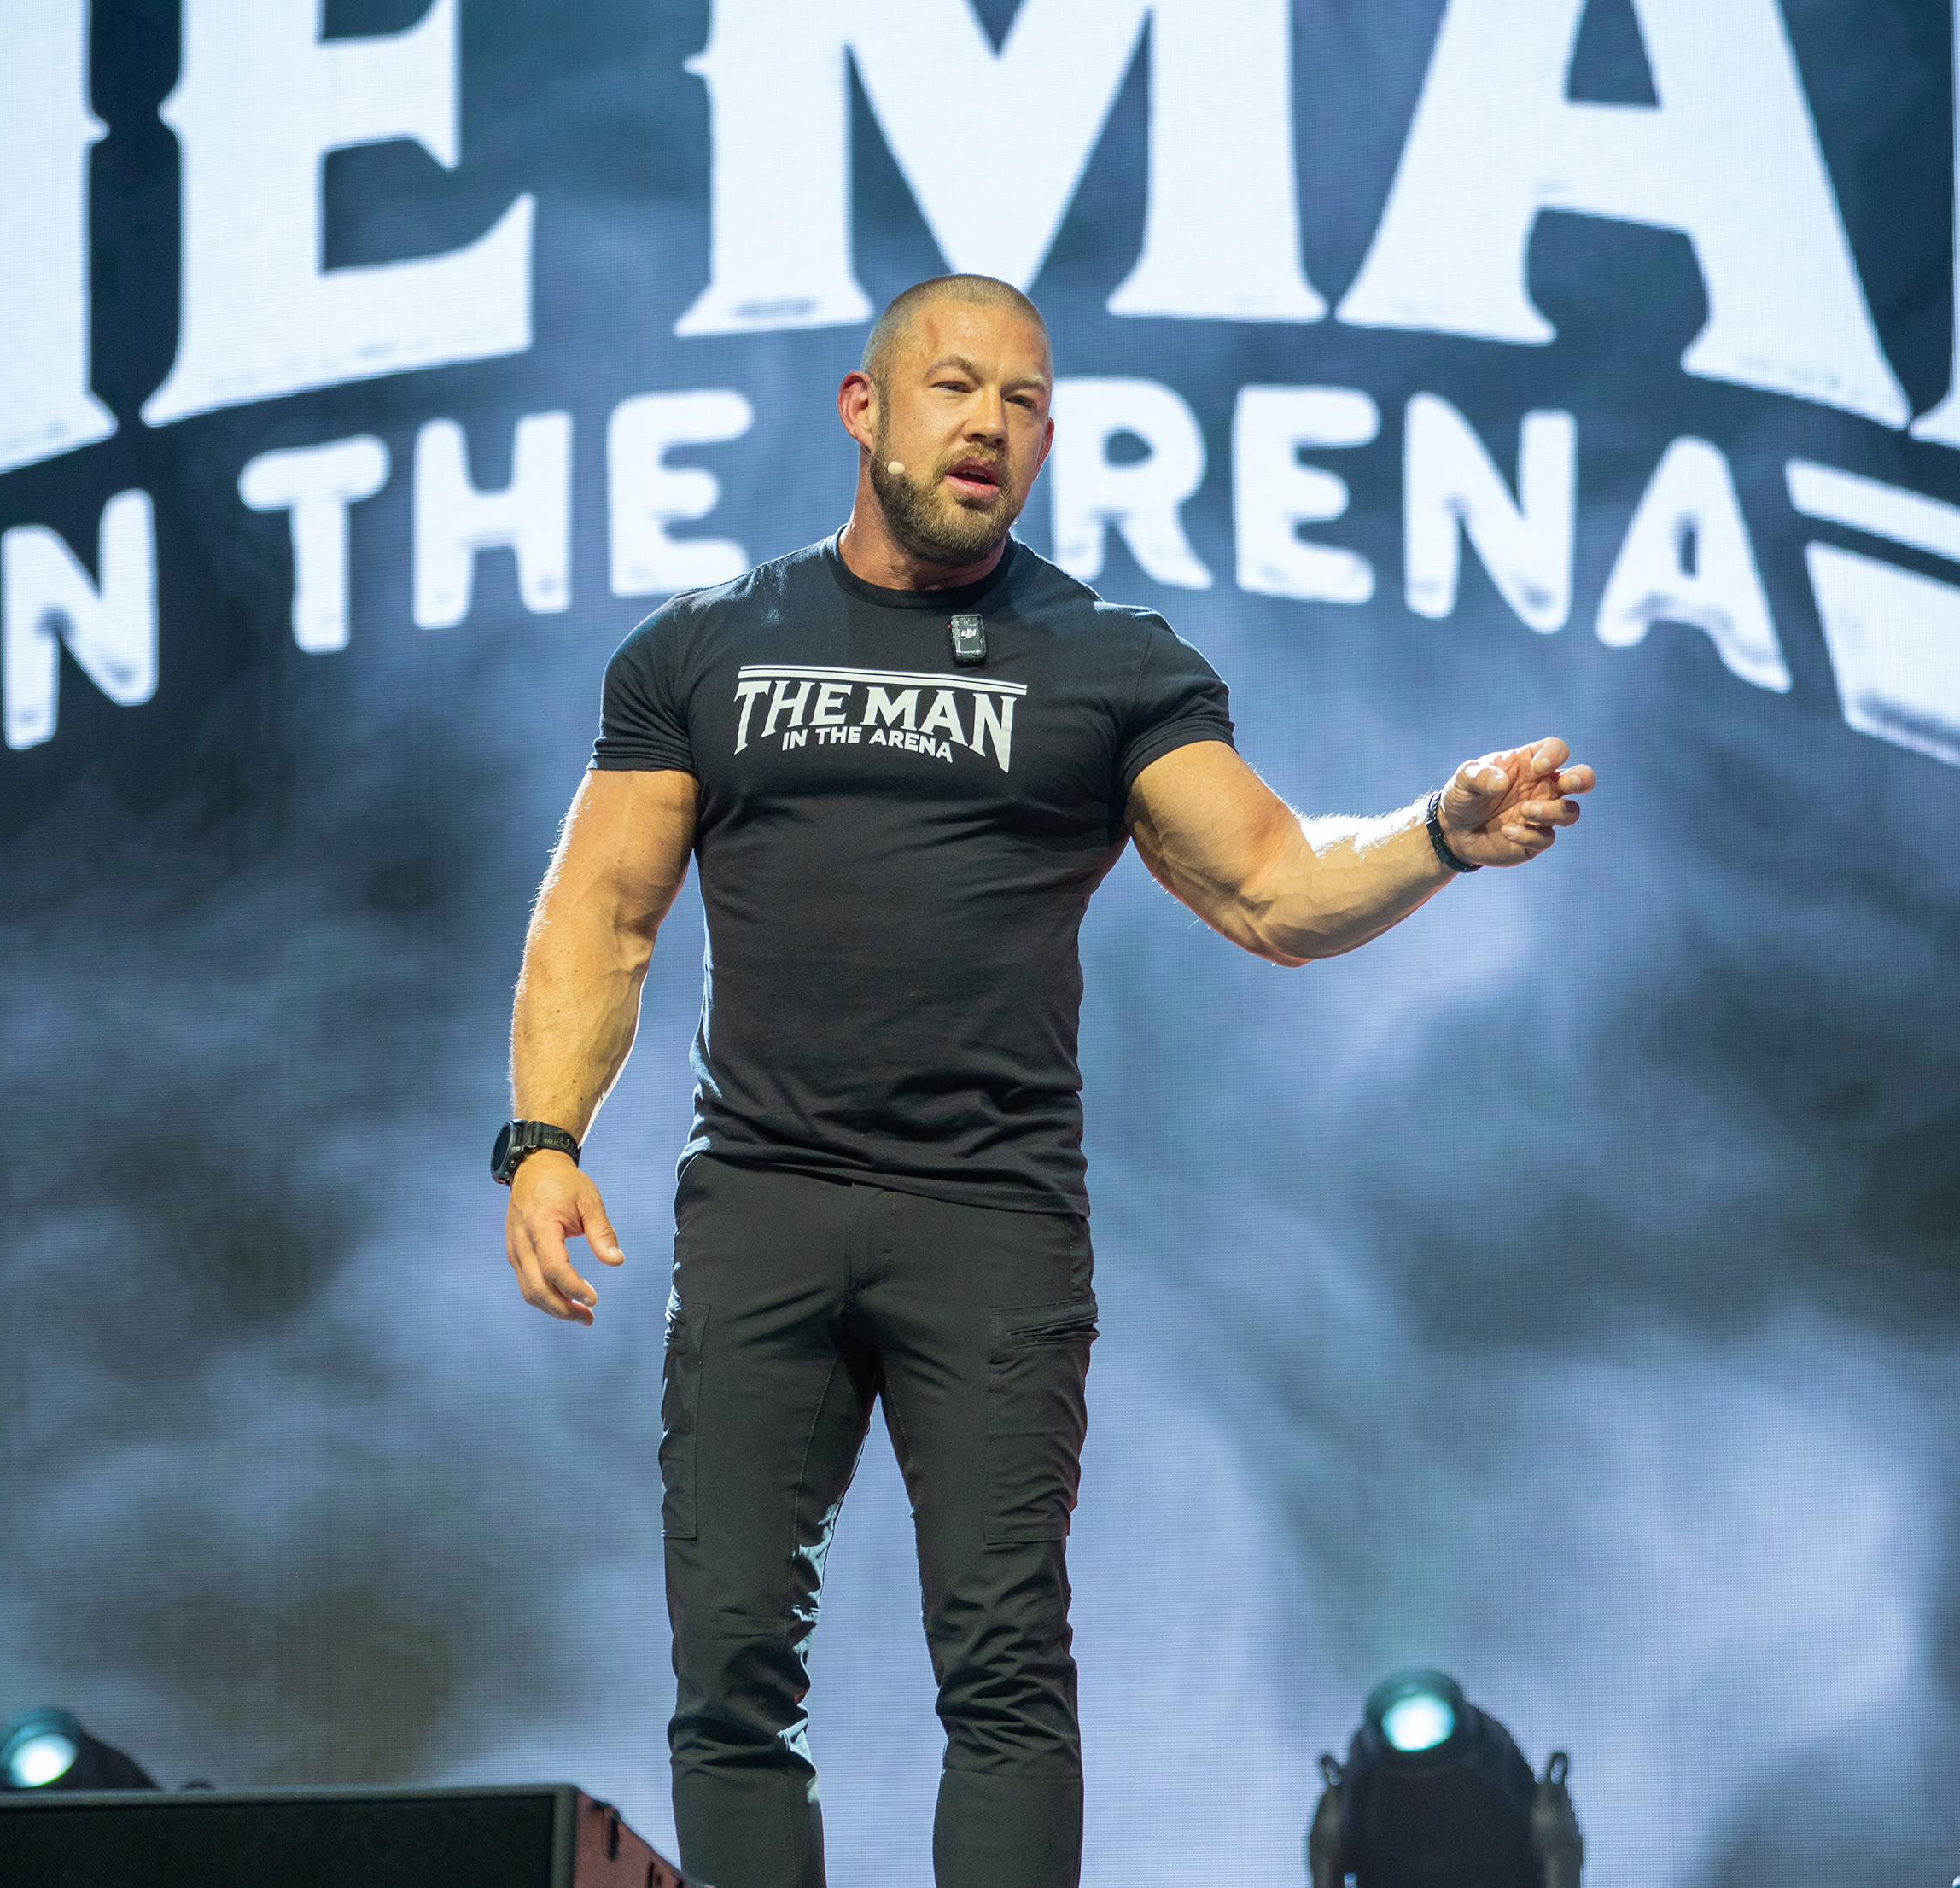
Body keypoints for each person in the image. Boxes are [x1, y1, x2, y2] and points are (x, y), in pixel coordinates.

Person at [493, 274, 1595, 1888]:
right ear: (865, 409)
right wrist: (542, 1138)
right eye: (953, 387)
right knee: (731, 1672)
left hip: (989, 1223)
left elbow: (1274, 886)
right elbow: (604, 908)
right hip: (764, 1203)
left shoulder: (1107, 664)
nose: (988, 426)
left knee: (1004, 1673)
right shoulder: (706, 648)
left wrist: (1436, 833)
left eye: (1022, 402)